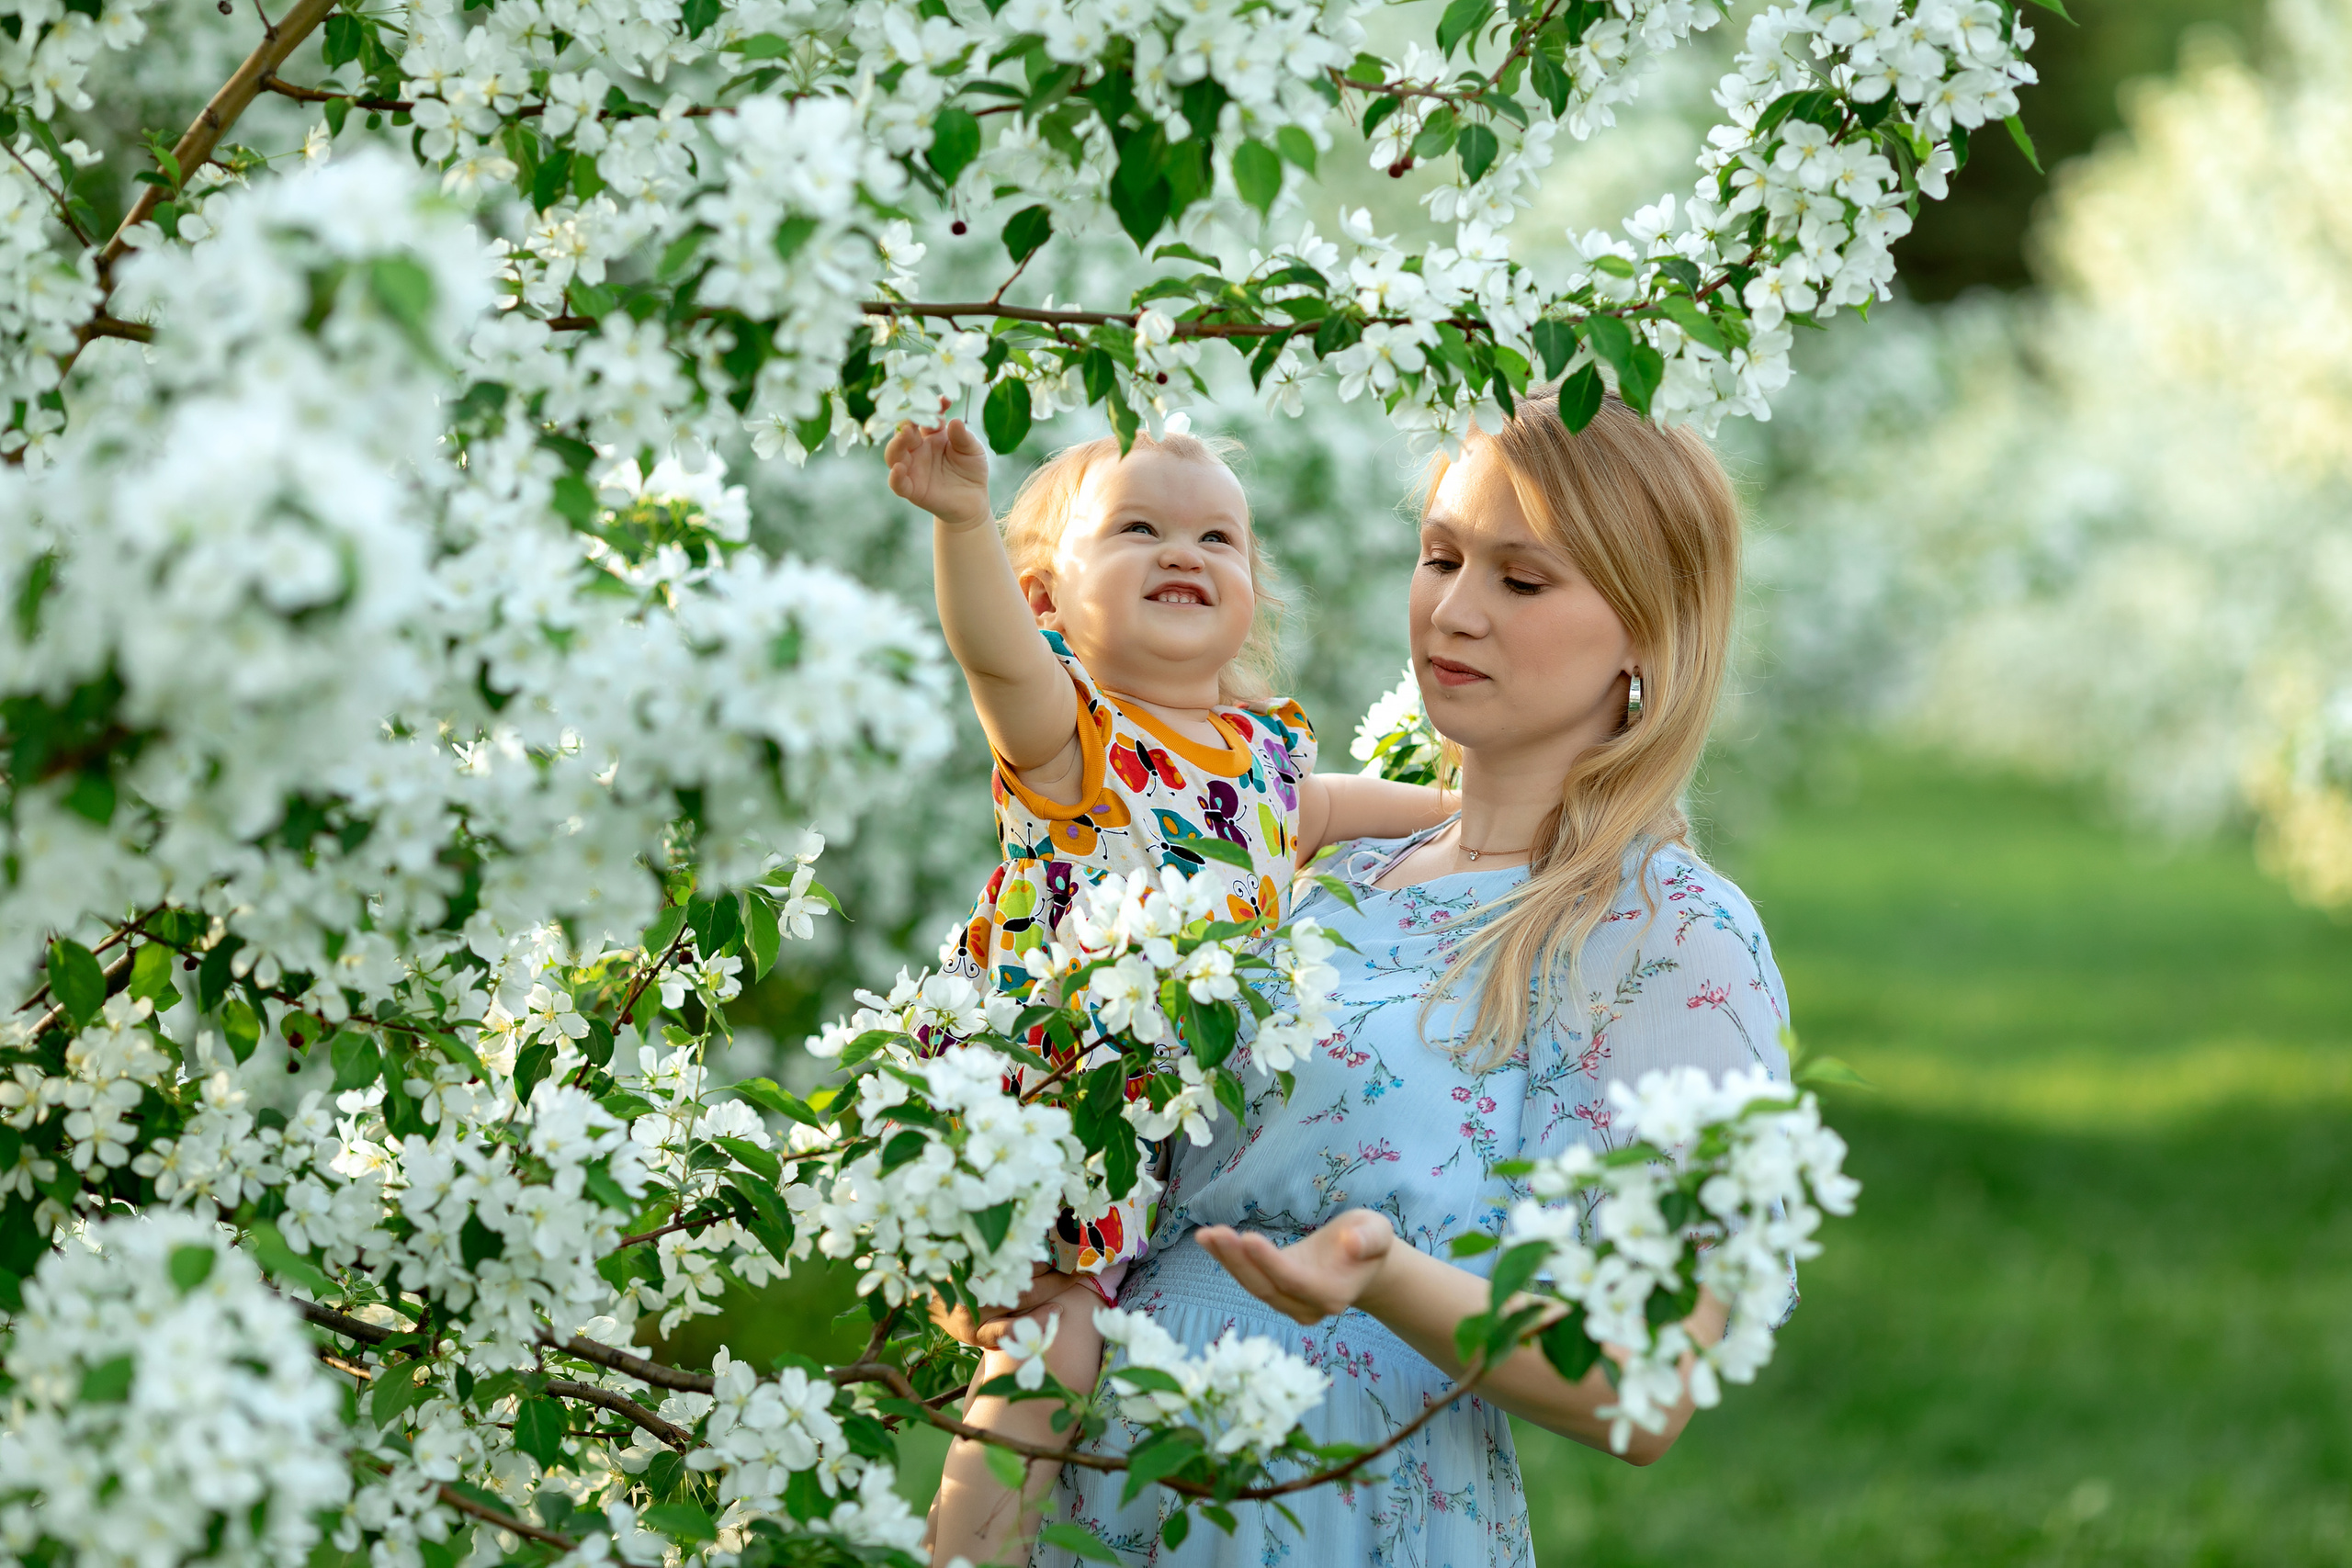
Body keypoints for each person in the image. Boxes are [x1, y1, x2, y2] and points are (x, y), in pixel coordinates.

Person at [953, 391, 1794, 1566]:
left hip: (1333, 1496)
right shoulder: (1314, 873)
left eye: (1522, 579)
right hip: (1117, 1478)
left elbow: (1643, 1388)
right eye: (1441, 556)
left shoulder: (1665, 929)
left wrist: (1379, 1273)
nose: (1454, 611)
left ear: (1646, 633)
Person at [882, 414, 1451, 1567]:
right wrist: (962, 523)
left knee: (1099, 1345)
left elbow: (1386, 813)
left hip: (1147, 1124)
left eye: (1216, 538)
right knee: (1052, 1344)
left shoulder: (1267, 760)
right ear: (1046, 597)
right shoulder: (1071, 737)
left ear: (1251, 591)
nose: (1182, 552)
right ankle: (965, 1552)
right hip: (1043, 1104)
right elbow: (995, 657)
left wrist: (1511, 811)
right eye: (1137, 529)